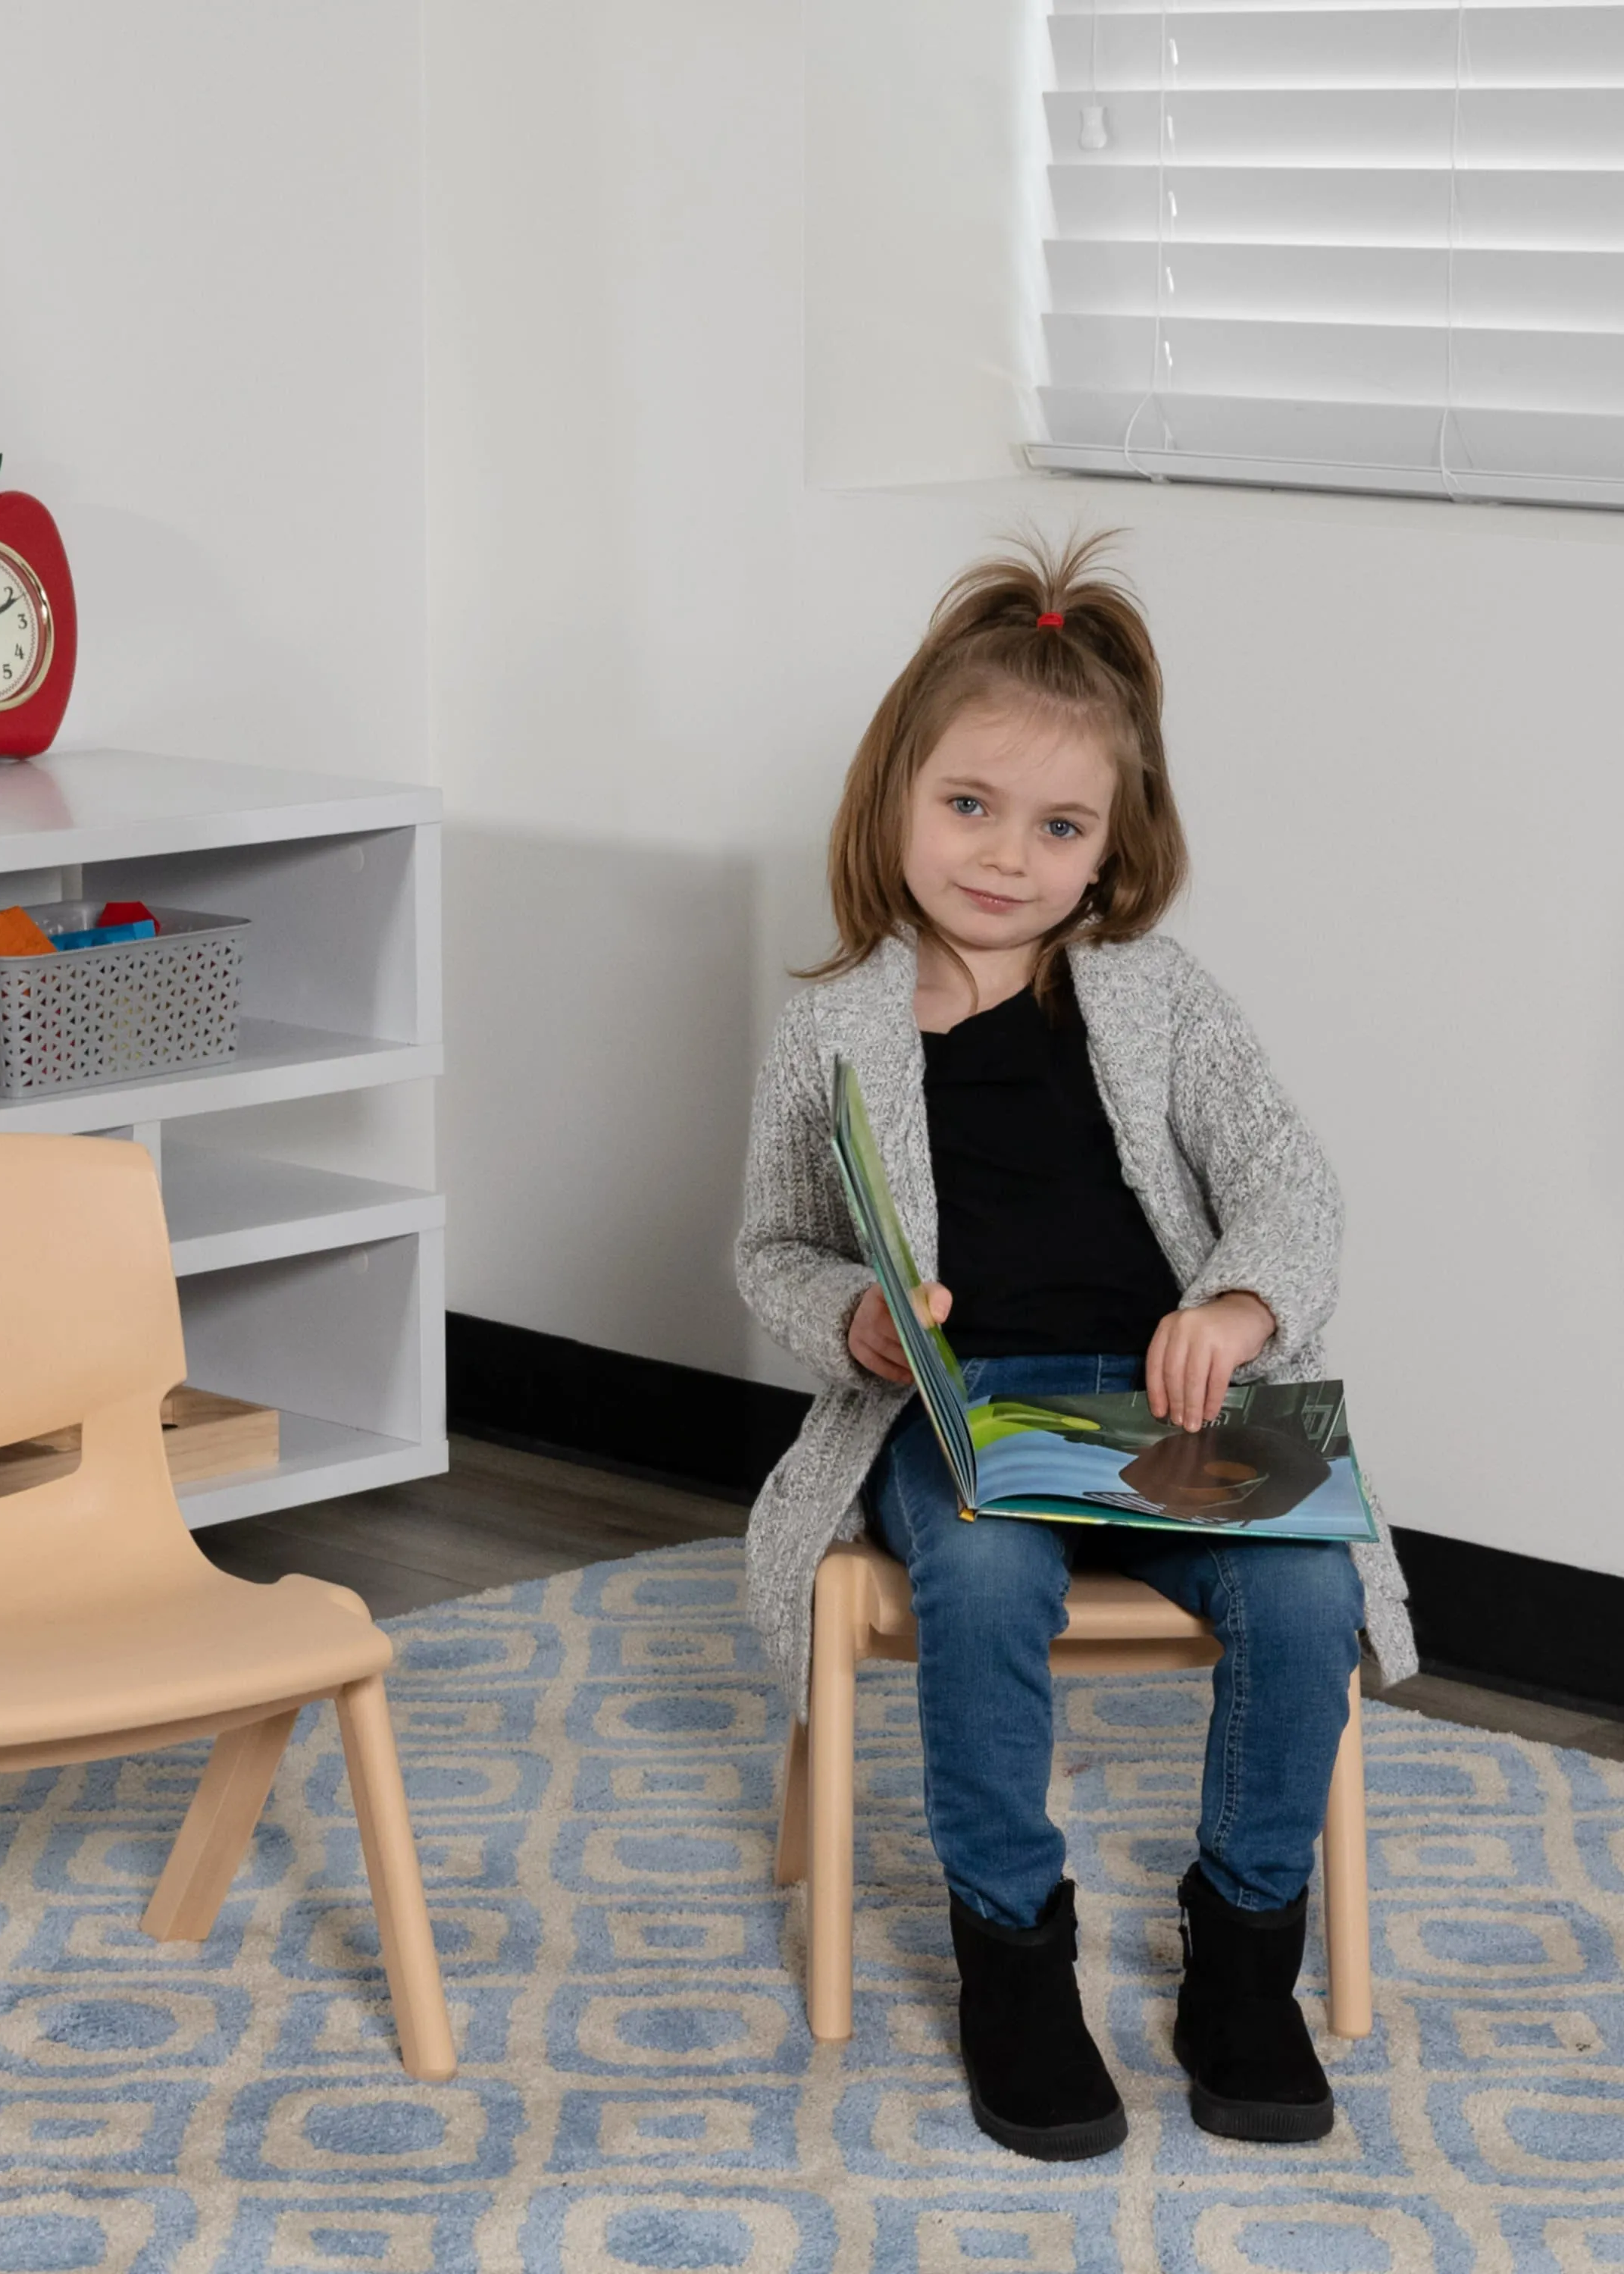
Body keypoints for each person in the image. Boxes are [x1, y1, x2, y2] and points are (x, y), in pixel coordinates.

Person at [735, 531, 1416, 2161]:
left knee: (1307, 1590)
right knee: (982, 1583)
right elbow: (769, 1246)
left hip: (1152, 1405)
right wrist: (851, 1318)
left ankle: (1245, 1947)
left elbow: (1290, 1187)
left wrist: (1237, 1310)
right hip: (959, 1417)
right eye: (969, 806)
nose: (1004, 857)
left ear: (1113, 850)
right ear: (895, 795)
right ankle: (1011, 1952)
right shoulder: (833, 1025)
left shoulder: (1157, 996)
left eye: (1058, 826)